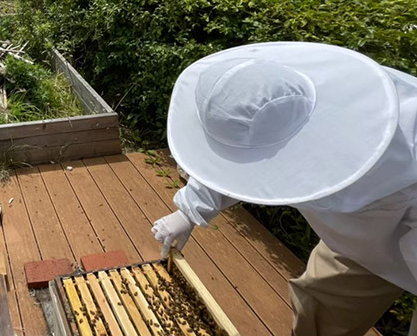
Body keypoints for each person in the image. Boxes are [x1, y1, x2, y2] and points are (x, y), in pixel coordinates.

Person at [151, 42, 417, 336]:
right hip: (357, 240)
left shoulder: (403, 136)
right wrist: (190, 209)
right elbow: (245, 149)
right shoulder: (285, 91)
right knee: (316, 307)